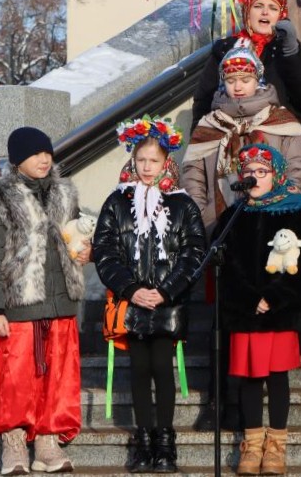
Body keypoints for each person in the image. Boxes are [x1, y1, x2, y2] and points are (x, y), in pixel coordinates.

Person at [93, 117, 206, 473]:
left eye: (153, 160)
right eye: (141, 159)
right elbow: (105, 251)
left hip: (167, 303)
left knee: (161, 366)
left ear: (166, 161)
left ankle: (165, 442)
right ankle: (143, 440)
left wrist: (167, 290)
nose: (146, 167)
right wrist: (131, 289)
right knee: (139, 368)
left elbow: (193, 253)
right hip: (132, 303)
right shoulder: (117, 201)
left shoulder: (182, 204)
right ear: (133, 159)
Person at [0, 127, 89, 475]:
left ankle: (47, 442)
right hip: (20, 305)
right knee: (15, 377)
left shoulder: (65, 193)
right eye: (35, 153)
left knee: (58, 377)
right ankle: (13, 443)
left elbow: (74, 236)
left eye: (47, 152)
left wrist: (85, 252)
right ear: (17, 160)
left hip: (61, 302)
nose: (44, 159)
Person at [215, 144, 301, 476]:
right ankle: (252, 442)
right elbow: (226, 264)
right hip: (245, 311)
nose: (255, 178)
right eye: (249, 172)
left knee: (276, 377)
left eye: (263, 172)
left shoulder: (296, 212)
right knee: (249, 376)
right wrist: (249, 299)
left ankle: (276, 445)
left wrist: (274, 296)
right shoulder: (233, 216)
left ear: (277, 175)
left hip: (278, 311)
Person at [182, 45, 301, 233]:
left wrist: (288, 210)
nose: (238, 87)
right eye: (231, 80)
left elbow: (297, 169)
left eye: (245, 80)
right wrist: (201, 215)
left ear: (258, 80)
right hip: (217, 226)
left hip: (274, 222)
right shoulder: (208, 125)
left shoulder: (280, 120)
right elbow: (193, 175)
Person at [192, 0, 301, 129]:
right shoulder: (225, 50)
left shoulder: (289, 48)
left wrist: (291, 52)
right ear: (247, 10)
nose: (265, 12)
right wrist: (200, 136)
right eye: (258, 6)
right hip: (231, 136)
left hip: (280, 137)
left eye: (273, 8)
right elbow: (204, 101)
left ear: (281, 15)